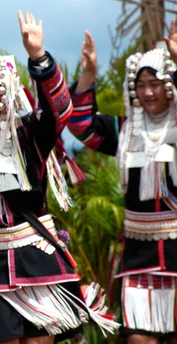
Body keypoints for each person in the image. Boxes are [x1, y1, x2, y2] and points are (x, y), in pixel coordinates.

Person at [0, 11, 118, 344]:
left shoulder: (30, 136)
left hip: (35, 259)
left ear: (5, 95)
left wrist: (38, 57)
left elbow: (59, 110)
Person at [68, 21, 177, 344]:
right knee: (138, 339)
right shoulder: (125, 131)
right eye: (141, 84)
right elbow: (81, 126)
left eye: (155, 83)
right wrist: (88, 75)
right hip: (138, 255)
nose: (147, 92)